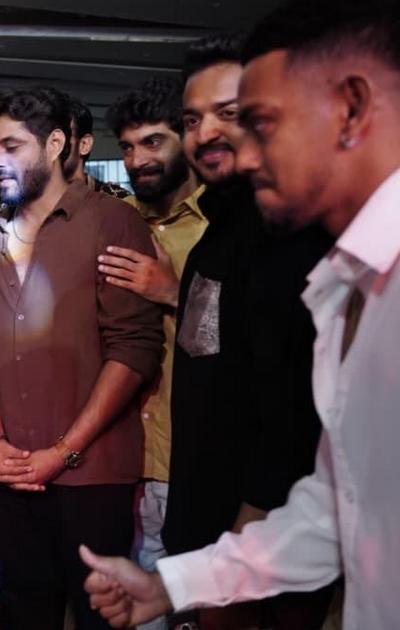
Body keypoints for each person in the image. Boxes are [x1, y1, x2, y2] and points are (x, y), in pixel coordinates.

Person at [80, 2, 400, 628]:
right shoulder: (345, 281)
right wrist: (175, 584)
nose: (242, 154)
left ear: (352, 109)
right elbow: (335, 509)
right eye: (198, 120)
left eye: (260, 123)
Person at [0, 87, 164, 630]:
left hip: (94, 475)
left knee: (100, 617)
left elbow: (134, 347)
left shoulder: (111, 222)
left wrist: (64, 451)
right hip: (11, 472)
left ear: (54, 145)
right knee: (24, 614)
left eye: (12, 146)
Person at [98, 78, 207, 627]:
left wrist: (173, 292)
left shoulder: (218, 227)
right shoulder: (116, 223)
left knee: (205, 601)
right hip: (125, 451)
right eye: (127, 146)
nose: (137, 159)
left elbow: (256, 333)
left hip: (196, 452)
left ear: (186, 138)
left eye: (153, 142)